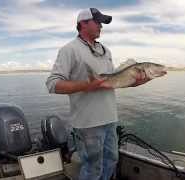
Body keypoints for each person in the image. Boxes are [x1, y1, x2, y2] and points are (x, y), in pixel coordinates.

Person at [46, 8, 149, 180]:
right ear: (83, 23)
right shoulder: (69, 50)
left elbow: (113, 81)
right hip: (88, 124)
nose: (101, 26)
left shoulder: (105, 51)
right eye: (98, 22)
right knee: (93, 166)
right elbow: (52, 84)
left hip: (110, 119)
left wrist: (137, 82)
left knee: (111, 160)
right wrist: (86, 85)